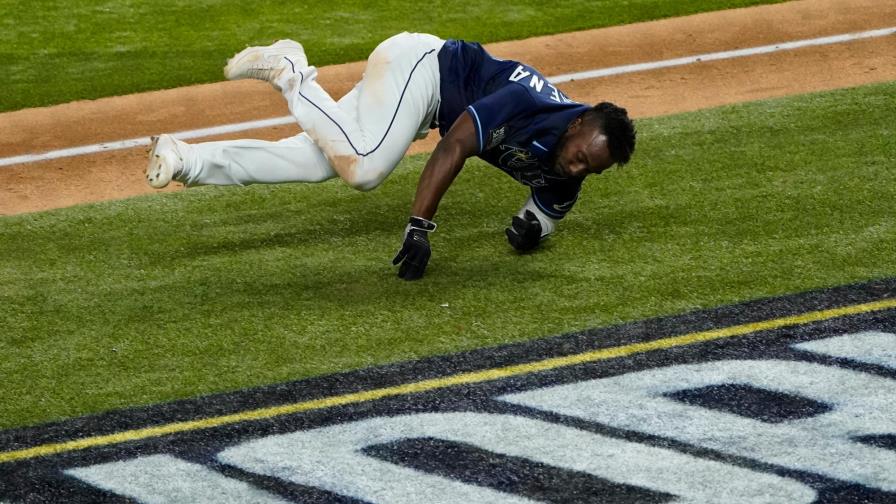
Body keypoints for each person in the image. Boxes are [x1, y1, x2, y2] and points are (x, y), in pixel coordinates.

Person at [145, 32, 636, 280]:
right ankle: (289, 67)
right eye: (578, 157)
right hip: (422, 68)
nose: (576, 169)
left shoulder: (575, 163)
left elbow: (545, 212)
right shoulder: (529, 102)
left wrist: (532, 232)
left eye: (589, 168)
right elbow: (456, 144)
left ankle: (188, 159)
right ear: (575, 124)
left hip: (424, 101)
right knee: (366, 169)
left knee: (324, 160)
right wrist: (419, 224)